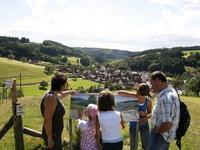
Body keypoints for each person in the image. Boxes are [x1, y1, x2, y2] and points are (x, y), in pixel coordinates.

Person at [40, 72, 78, 150]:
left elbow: (60, 95)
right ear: (61, 85)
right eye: (65, 85)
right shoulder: (51, 98)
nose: (65, 88)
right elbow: (47, 120)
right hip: (53, 134)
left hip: (55, 134)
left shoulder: (52, 94)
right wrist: (50, 138)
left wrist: (70, 92)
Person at [147, 71, 180, 150]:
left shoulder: (165, 98)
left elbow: (167, 124)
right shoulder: (170, 92)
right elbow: (162, 114)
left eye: (152, 83)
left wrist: (155, 131)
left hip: (160, 137)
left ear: (158, 81)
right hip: (164, 137)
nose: (152, 87)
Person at [118, 83, 152, 150]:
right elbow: (119, 92)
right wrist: (133, 95)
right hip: (133, 124)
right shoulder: (134, 97)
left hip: (144, 124)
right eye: (138, 93)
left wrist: (144, 113)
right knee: (132, 145)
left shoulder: (148, 101)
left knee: (146, 145)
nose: (139, 96)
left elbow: (150, 113)